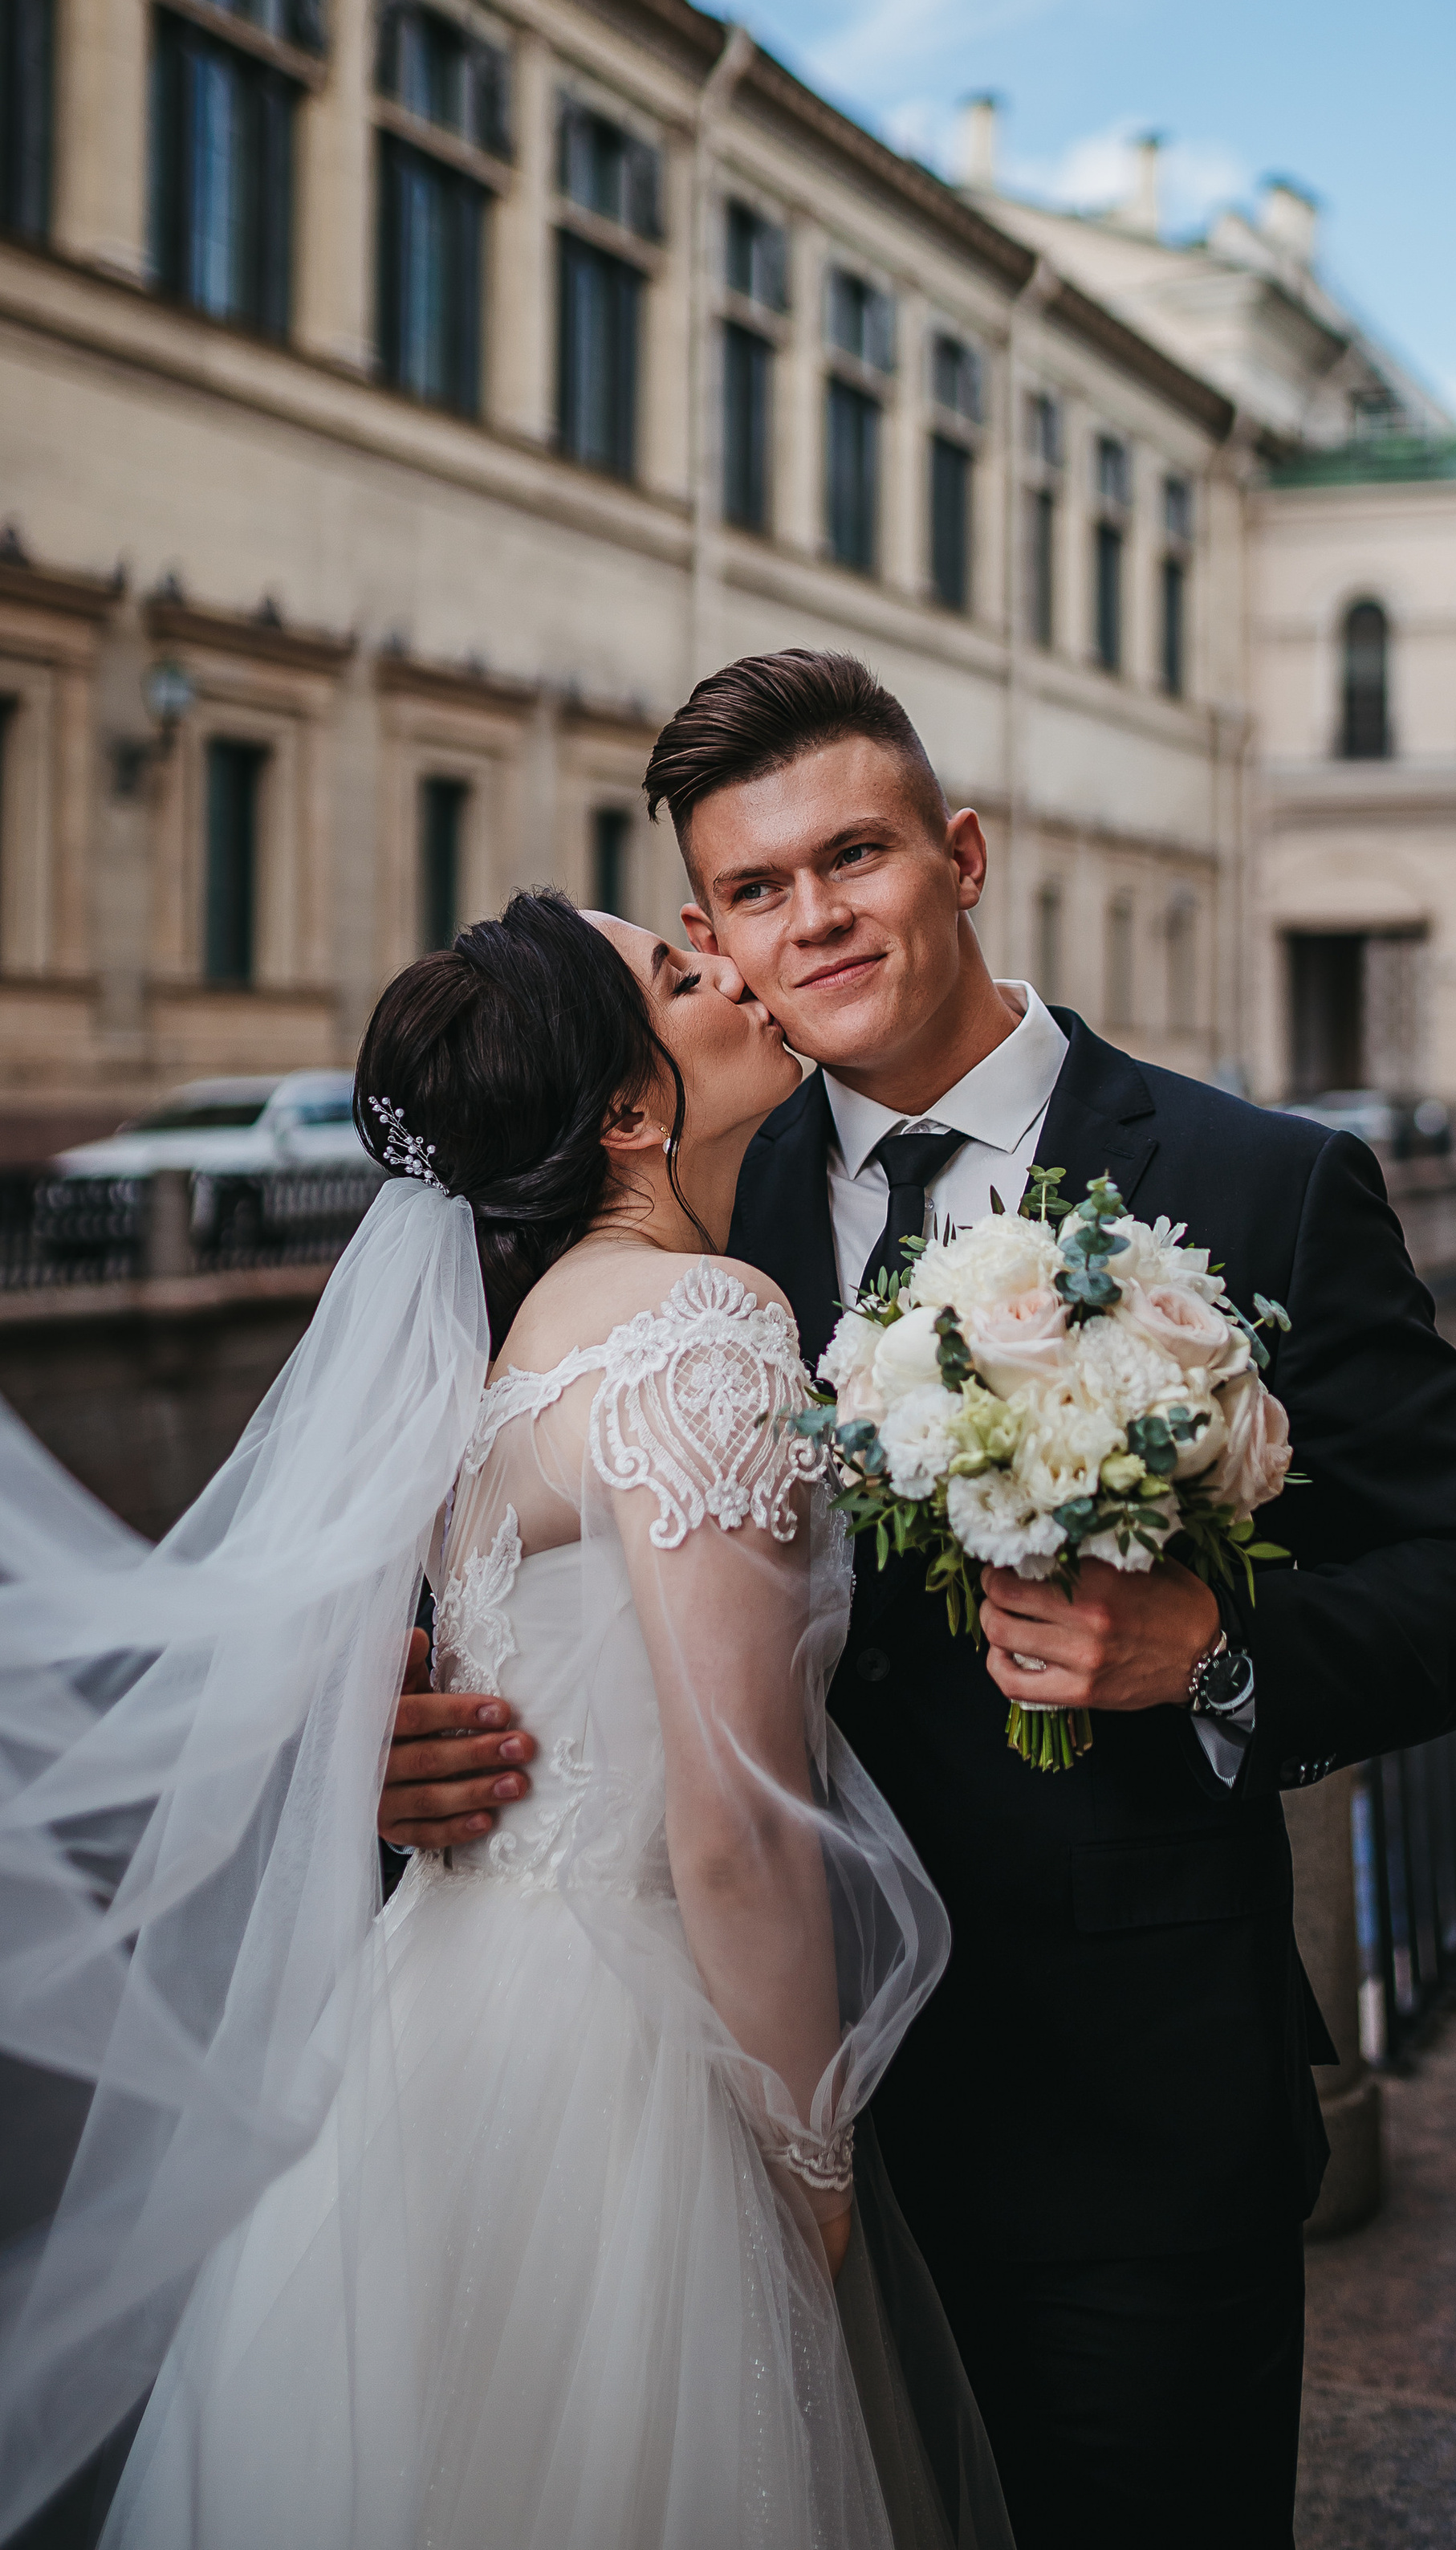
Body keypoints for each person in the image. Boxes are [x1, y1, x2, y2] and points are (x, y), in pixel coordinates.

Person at [379, 651, 1456, 2550]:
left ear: (962, 857)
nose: (814, 919)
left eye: (856, 855)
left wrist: (1212, 1656)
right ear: (707, 935)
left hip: (1124, 2121)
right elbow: (489, 1522)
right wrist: (410, 1725)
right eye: (755, 889)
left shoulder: (1260, 1181)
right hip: (735, 2118)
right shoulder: (680, 1205)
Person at [0, 888, 1011, 2550]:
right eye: (681, 973)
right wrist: (811, 2171)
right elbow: (736, 1827)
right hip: (631, 2044)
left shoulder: (514, 1355)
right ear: (625, 1114)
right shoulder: (702, 1325)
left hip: (440, 2015)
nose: (733, 969)